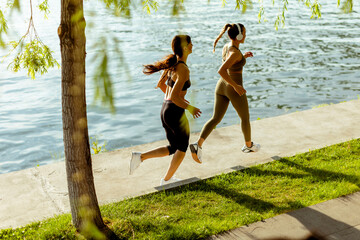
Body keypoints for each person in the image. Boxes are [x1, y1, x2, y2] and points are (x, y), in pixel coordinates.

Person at [129, 35, 202, 186]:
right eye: (190, 43)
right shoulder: (183, 69)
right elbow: (175, 96)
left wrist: (177, 100)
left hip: (165, 109)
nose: (192, 45)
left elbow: (162, 86)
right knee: (182, 148)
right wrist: (189, 107)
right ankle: (166, 180)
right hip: (175, 111)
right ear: (184, 47)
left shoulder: (173, 65)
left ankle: (140, 157)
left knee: (174, 147)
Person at [190, 23, 260, 163]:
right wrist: (236, 86)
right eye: (244, 33)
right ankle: (249, 146)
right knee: (245, 118)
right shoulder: (234, 53)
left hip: (221, 86)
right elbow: (221, 70)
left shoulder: (228, 47)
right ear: (239, 36)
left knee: (215, 118)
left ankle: (198, 145)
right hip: (233, 88)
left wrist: (243, 57)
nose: (245, 35)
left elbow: (231, 62)